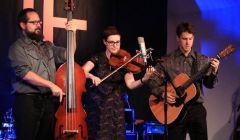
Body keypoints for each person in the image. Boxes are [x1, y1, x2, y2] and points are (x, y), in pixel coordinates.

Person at [8, 8, 77, 140]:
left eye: (39, 22)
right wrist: (51, 85)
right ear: (23, 25)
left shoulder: (47, 46)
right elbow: (25, 73)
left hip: (48, 102)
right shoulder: (17, 48)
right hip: (28, 103)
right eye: (34, 22)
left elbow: (69, 54)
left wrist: (73, 34)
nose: (38, 25)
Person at [147, 22, 220, 140]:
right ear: (177, 38)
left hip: (196, 109)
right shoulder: (167, 60)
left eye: (190, 39)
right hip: (175, 109)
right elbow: (152, 81)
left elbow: (209, 84)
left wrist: (214, 71)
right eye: (184, 39)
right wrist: (162, 93)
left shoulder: (202, 60)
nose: (188, 42)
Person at [82, 26, 154, 140]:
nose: (115, 45)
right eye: (111, 42)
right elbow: (82, 71)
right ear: (104, 42)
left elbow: (130, 84)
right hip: (98, 108)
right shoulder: (98, 58)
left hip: (116, 108)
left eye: (117, 42)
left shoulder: (125, 61)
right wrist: (92, 76)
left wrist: (143, 80)